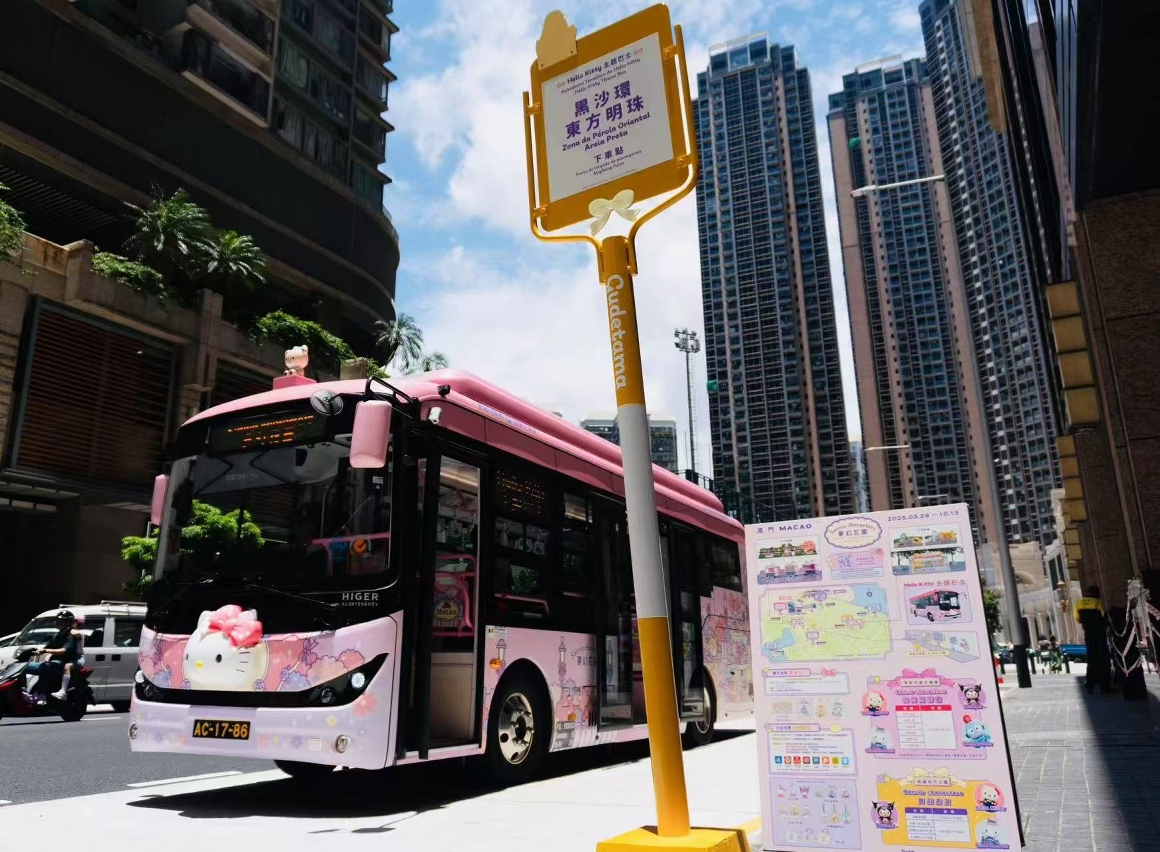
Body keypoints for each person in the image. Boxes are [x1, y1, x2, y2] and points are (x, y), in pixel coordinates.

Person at [25, 611, 85, 700]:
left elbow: (64, 650)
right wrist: (43, 652)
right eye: (58, 621)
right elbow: (51, 646)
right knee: (26, 666)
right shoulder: (59, 634)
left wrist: (46, 651)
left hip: (74, 659)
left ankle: (60, 692)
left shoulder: (73, 634)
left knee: (65, 666)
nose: (57, 623)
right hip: (61, 660)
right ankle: (34, 692)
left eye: (61, 621)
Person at [1075, 587, 1109, 694]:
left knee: (1091, 659)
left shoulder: (1079, 603)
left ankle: (1090, 685)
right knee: (1103, 659)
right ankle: (1104, 686)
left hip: (1088, 634)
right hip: (1099, 633)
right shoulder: (1098, 602)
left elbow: (1077, 617)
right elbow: (1104, 616)